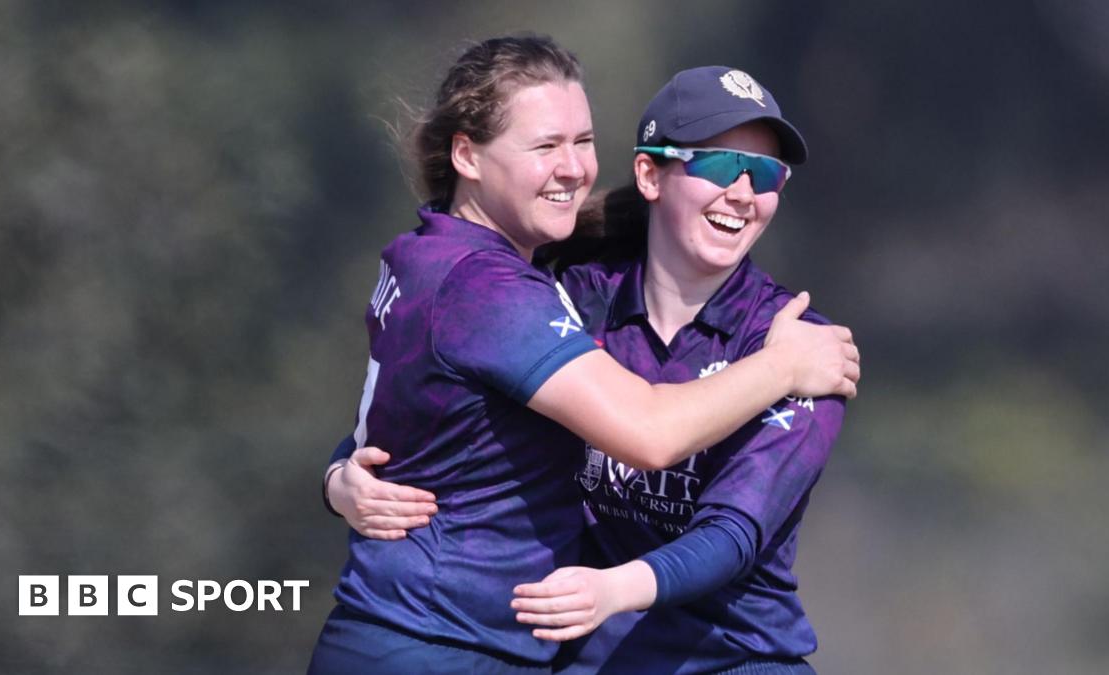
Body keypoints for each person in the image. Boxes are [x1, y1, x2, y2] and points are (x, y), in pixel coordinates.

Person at [308, 36, 859, 675]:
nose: (742, 191)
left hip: (728, 662)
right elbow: (427, 413)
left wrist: (615, 589)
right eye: (716, 165)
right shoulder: (557, 297)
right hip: (528, 653)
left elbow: (734, 536)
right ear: (651, 174)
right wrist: (340, 472)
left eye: (766, 174)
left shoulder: (798, 337)